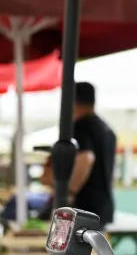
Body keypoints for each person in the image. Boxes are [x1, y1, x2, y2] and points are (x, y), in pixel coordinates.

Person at [41, 82, 117, 226]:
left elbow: (86, 158)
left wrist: (69, 192)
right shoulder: (106, 130)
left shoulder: (81, 126)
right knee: (94, 247)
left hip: (83, 207)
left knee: (74, 247)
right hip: (101, 206)